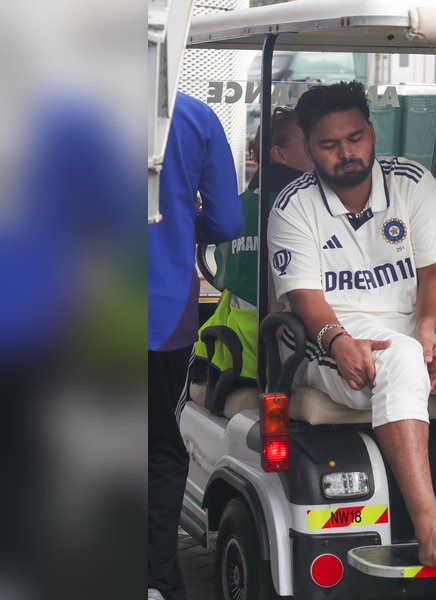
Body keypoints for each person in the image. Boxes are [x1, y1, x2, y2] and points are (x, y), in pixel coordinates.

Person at [267, 81, 436, 570]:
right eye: (329, 144)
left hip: (410, 322)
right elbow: (305, 299)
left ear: (371, 132)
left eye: (355, 137)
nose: (346, 153)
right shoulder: (292, 205)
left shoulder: (412, 181)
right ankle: (431, 525)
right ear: (307, 148)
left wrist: (429, 328)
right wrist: (337, 340)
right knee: (403, 354)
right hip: (331, 340)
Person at [148, 92, 242, 600]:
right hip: (158, 311)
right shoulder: (194, 115)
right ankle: (154, 580)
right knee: (159, 444)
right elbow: (227, 221)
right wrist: (184, 220)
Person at [195, 107, 313, 383]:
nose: (320, 151)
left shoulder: (237, 207)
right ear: (279, 154)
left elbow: (223, 275)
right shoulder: (315, 207)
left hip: (240, 350)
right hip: (299, 347)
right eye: (309, 145)